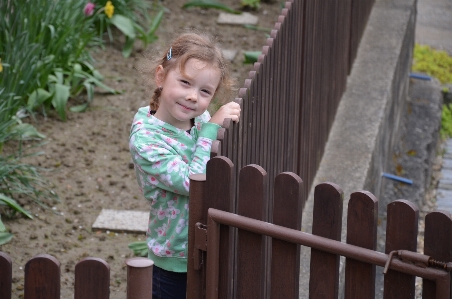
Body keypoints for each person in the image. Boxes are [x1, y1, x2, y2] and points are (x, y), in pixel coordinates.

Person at [129, 32, 241, 299]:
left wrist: (208, 126)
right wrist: (211, 129)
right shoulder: (146, 140)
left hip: (207, 242)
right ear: (160, 77)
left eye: (204, 91)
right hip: (174, 257)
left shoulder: (198, 118)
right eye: (185, 83)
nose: (193, 97)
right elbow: (194, 182)